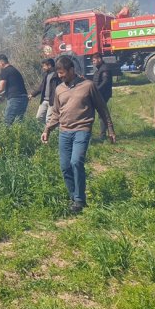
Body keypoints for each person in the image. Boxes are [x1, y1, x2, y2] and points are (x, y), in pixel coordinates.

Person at [41, 56, 116, 214]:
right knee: (65, 167)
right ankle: (74, 198)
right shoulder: (59, 89)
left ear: (71, 70)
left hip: (82, 129)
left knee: (76, 162)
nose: (60, 76)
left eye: (62, 73)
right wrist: (47, 129)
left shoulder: (88, 86)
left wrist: (110, 128)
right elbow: (56, 113)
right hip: (64, 132)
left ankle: (79, 200)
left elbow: (102, 108)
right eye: (58, 73)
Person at [0, 54, 28, 125]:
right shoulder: (14, 70)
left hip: (15, 99)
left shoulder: (5, 71)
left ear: (2, 63)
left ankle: (9, 135)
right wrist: (3, 95)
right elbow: (15, 87)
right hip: (24, 98)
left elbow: (1, 87)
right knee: (18, 123)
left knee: (8, 121)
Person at [28, 58, 59, 125]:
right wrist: (32, 94)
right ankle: (40, 133)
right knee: (39, 118)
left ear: (49, 65)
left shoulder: (57, 75)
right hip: (44, 101)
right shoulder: (46, 75)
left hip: (52, 101)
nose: (43, 68)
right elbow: (41, 87)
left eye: (44, 66)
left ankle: (51, 134)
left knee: (49, 119)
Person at [91, 52, 113, 140]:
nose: (93, 62)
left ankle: (103, 135)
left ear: (99, 59)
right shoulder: (99, 69)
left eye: (94, 60)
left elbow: (105, 81)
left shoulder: (104, 69)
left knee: (103, 114)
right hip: (99, 94)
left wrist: (96, 91)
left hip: (103, 95)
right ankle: (103, 134)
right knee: (102, 114)